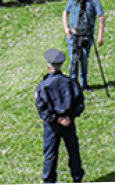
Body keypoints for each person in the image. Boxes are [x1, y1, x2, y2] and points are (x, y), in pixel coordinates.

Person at [34, 48, 86, 184]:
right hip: (69, 123)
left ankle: (49, 181)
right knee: (73, 151)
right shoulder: (71, 83)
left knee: (50, 154)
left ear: (48, 66)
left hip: (52, 126)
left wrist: (56, 119)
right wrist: (69, 117)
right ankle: (77, 177)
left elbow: (42, 109)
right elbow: (80, 103)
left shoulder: (43, 87)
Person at [62, 0, 106, 89]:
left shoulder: (94, 0)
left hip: (87, 34)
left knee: (84, 59)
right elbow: (65, 12)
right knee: (73, 60)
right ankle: (73, 83)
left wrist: (100, 36)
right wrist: (66, 28)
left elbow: (101, 17)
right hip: (73, 34)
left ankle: (84, 83)